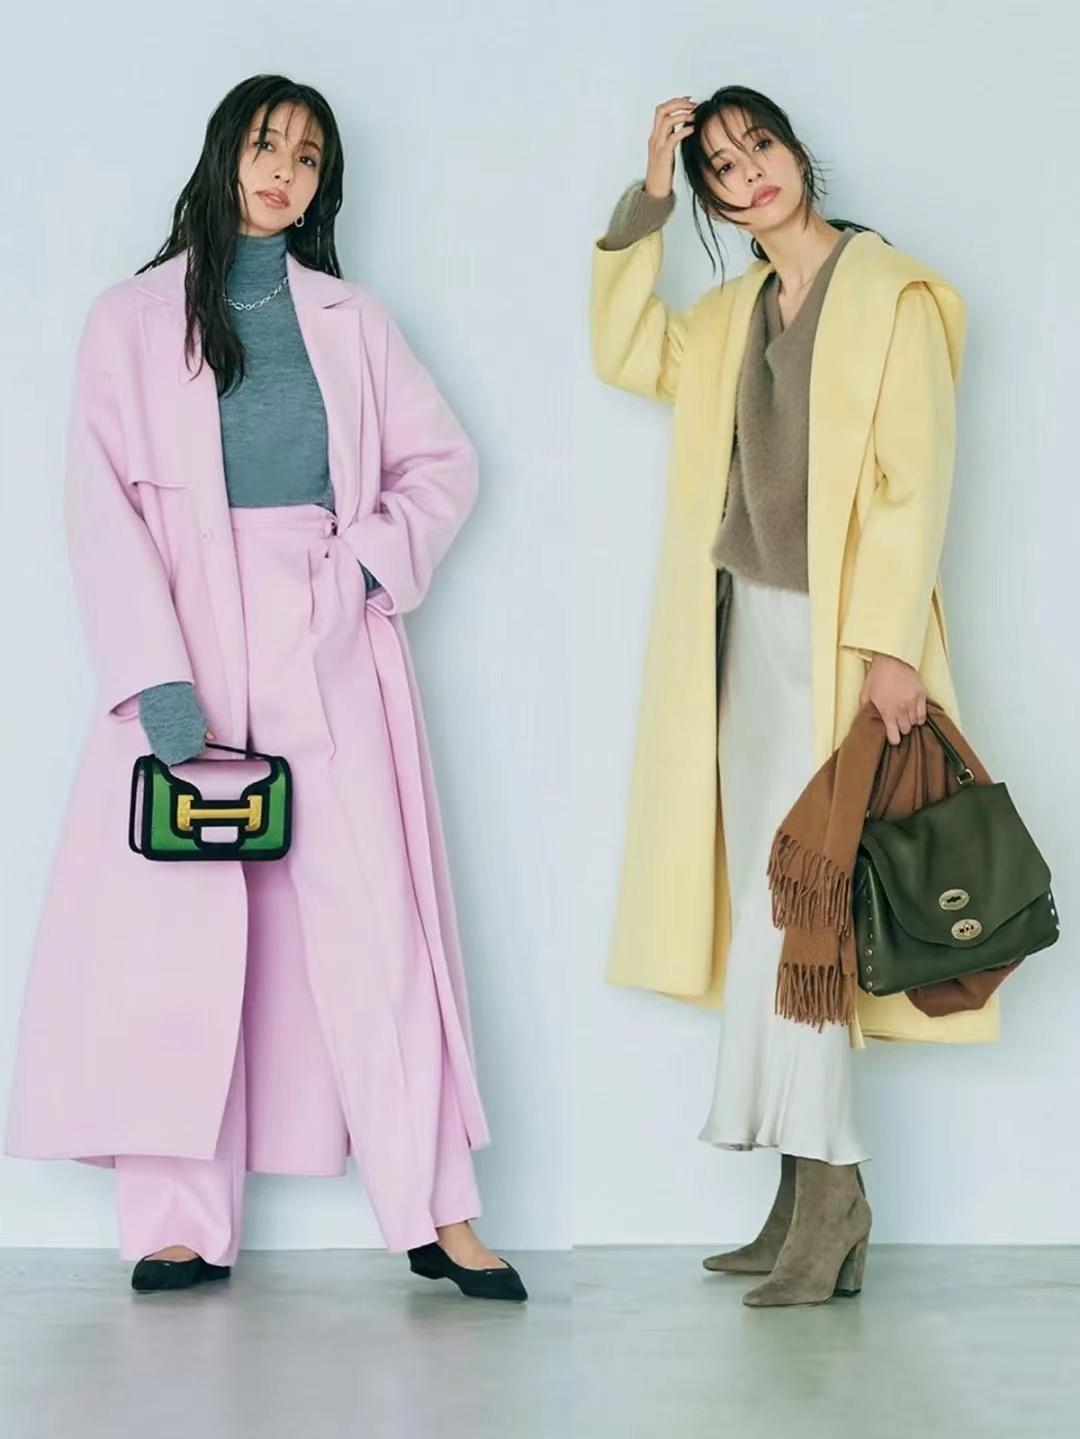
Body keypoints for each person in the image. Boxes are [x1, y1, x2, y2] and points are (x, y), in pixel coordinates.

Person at [5, 74, 526, 1303]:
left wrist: (361, 569)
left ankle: (436, 1209)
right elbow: (98, 505)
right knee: (178, 930)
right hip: (185, 629)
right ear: (223, 155)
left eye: (306, 155)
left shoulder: (353, 318)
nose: (283, 169)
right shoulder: (130, 318)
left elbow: (444, 464)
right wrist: (156, 679)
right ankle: (179, 1223)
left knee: (377, 917)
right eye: (265, 144)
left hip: (322, 625)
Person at [590, 85, 994, 1307]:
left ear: (796, 152)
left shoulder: (893, 293)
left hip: (844, 643)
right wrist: (645, 196)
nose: (747, 171)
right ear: (711, 201)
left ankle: (835, 1195)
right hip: (747, 640)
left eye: (757, 145)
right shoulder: (730, 314)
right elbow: (623, 350)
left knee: (813, 913)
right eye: (718, 167)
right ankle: (799, 1187)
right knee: (773, 914)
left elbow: (917, 479)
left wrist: (887, 648)